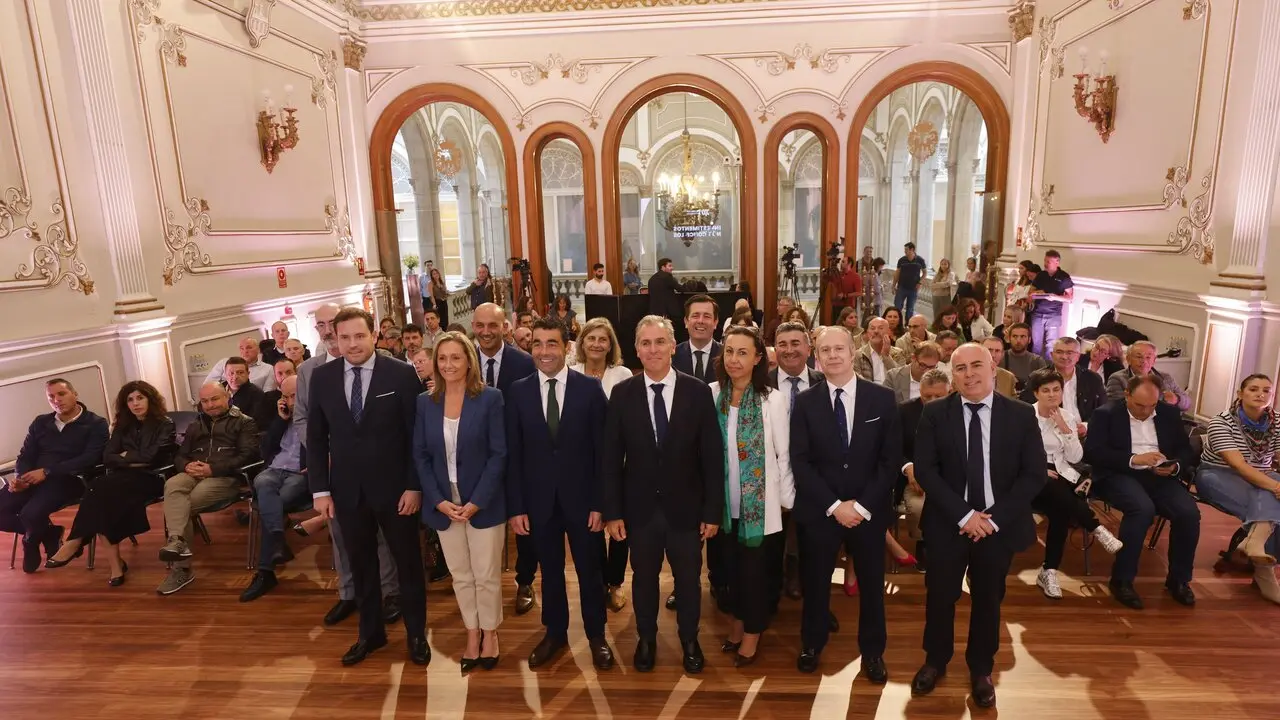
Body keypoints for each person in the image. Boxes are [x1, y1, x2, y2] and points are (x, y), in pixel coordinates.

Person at [910, 343, 1046, 709]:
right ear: (951, 375)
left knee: (988, 599)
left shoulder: (1020, 415)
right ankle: (935, 661)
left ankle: (981, 669)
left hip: (996, 527)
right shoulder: (936, 413)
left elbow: (1033, 474)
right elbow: (926, 470)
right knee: (940, 596)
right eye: (960, 368)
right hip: (947, 522)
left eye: (976, 366)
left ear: (992, 368)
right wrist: (965, 516)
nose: (969, 374)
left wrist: (993, 519)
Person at [307, 308, 429, 667]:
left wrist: (413, 486)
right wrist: (320, 491)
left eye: (359, 336)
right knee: (361, 566)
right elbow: (316, 439)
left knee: (408, 566)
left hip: (396, 493)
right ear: (335, 338)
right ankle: (371, 634)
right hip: (346, 492)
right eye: (344, 337)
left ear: (373, 335)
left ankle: (416, 634)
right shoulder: (323, 377)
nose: (352, 343)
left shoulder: (402, 375)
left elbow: (415, 438)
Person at [602, 315, 723, 674]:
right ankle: (646, 638)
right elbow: (610, 458)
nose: (652, 349)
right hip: (639, 510)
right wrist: (612, 512)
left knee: (688, 579)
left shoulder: (698, 391)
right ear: (636, 349)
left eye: (659, 342)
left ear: (674, 346)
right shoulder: (622, 394)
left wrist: (712, 511)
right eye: (645, 343)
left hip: (687, 508)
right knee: (643, 578)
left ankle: (690, 638)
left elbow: (713, 458)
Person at [791, 324, 901, 679]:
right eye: (826, 351)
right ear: (817, 358)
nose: (833, 355)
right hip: (822, 511)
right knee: (816, 582)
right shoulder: (805, 402)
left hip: (868, 512)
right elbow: (801, 461)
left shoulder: (881, 399)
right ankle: (812, 643)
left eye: (840, 349)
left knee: (871, 586)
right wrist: (835, 506)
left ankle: (873, 652)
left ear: (853, 353)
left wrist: (862, 506)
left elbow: (890, 460)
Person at [507, 318, 615, 670]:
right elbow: (514, 454)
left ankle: (597, 635)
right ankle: (555, 633)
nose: (543, 351)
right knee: (550, 572)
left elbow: (603, 453)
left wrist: (601, 503)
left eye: (551, 343)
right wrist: (517, 507)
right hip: (539, 504)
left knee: (590, 571)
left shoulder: (589, 389)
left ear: (566, 347)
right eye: (537, 344)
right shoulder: (518, 391)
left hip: (584, 503)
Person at [294, 303, 403, 628]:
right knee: (343, 537)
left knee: (381, 539)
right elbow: (305, 420)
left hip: (381, 475)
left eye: (334, 324)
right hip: (335, 472)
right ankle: (348, 594)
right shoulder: (311, 371)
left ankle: (388, 593)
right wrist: (326, 456)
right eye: (323, 326)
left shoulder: (391, 370)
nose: (329, 331)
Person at [415, 332, 506, 671]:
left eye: (456, 357)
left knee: (486, 574)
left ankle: (490, 633)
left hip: (483, 501)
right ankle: (471, 632)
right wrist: (438, 501)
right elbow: (420, 456)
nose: (449, 364)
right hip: (444, 503)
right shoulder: (425, 402)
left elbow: (499, 454)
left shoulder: (490, 398)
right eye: (442, 358)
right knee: (460, 574)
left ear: (469, 360)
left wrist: (478, 500)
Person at [706, 327, 794, 667]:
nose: (734, 359)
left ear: (758, 358)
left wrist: (787, 500)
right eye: (729, 351)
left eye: (743, 352)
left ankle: (752, 635)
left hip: (762, 508)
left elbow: (783, 454)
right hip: (722, 507)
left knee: (755, 576)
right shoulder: (711, 394)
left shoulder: (772, 399)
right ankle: (737, 625)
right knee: (727, 572)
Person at [1084, 374, 1199, 610]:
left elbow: (1185, 450)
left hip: (1159, 475)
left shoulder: (1168, 413)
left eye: (1152, 406)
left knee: (1188, 513)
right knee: (1141, 509)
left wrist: (1175, 465)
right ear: (1127, 395)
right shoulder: (1106, 414)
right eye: (1139, 405)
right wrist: (1134, 459)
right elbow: (1094, 453)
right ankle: (1122, 580)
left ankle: (1179, 580)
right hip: (1119, 473)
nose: (1146, 411)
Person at [44, 382, 175, 585]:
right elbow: (108, 456)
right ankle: (112, 564)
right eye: (130, 400)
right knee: (101, 495)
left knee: (100, 491)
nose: (135, 403)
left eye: (140, 398)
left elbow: (152, 457)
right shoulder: (123, 425)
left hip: (153, 477)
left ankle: (77, 540)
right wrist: (131, 458)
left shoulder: (164, 424)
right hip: (122, 478)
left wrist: (125, 456)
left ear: (150, 399)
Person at [1025, 369, 1123, 600]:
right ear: (1035, 393)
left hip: (1062, 476)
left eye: (1056, 390)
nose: (1052, 395)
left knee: (1061, 508)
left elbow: (1076, 457)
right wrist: (1040, 470)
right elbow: (1014, 455)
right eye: (1046, 390)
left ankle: (1049, 571)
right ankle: (1095, 527)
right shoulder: (1024, 416)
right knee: (1057, 493)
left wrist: (1066, 429)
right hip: (1032, 477)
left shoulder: (1067, 416)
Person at [157, 382, 258, 595]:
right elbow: (180, 454)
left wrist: (213, 469)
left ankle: (181, 569)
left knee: (183, 505)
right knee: (173, 484)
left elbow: (247, 456)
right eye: (204, 401)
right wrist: (185, 465)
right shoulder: (197, 424)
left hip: (224, 477)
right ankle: (177, 542)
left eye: (214, 399)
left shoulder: (244, 422)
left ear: (227, 396)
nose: (210, 405)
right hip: (193, 472)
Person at [471, 302, 539, 613]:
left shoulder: (525, 363)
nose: (486, 331)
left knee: (523, 524)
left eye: (492, 325)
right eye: (480, 325)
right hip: (474, 459)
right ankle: (482, 584)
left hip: (517, 457)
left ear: (505, 328)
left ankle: (525, 580)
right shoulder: (462, 359)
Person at [1194, 374, 1280, 603]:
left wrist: (1274, 484)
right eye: (1253, 389)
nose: (1260, 394)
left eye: (1266, 390)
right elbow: (1238, 465)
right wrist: (1276, 486)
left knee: (1269, 493)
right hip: (1217, 474)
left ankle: (1254, 545)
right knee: (1271, 501)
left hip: (1262, 476)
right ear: (1240, 394)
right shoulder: (1222, 421)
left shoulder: (1277, 421)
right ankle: (1265, 574)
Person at [568, 317, 634, 610]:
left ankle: (616, 583)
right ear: (582, 342)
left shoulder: (621, 374)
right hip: (583, 465)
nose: (596, 344)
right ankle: (596, 582)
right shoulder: (570, 373)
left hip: (619, 462)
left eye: (602, 339)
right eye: (590, 338)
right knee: (591, 528)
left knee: (620, 528)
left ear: (611, 345)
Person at [240, 375, 311, 602]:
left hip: (300, 475)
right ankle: (278, 541)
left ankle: (265, 572)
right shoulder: (281, 416)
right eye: (285, 396)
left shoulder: (317, 414)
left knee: (271, 502)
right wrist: (281, 420)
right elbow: (266, 448)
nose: (290, 401)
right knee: (261, 482)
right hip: (275, 469)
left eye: (294, 396)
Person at [770, 321, 824, 601]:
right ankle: (774, 581)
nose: (789, 350)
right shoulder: (760, 382)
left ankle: (803, 579)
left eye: (795, 343)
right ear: (774, 349)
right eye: (782, 344)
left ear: (808, 347)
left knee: (812, 536)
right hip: (770, 470)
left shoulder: (824, 382)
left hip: (815, 471)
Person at [897, 369, 953, 573]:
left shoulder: (960, 411)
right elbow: (893, 449)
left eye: (938, 396)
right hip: (915, 478)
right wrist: (909, 468)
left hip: (950, 476)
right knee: (919, 504)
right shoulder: (904, 411)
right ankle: (924, 544)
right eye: (926, 396)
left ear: (951, 391)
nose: (931, 401)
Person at [1024, 337, 1107, 424]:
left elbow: (1102, 411)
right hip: (1049, 430)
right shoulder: (1037, 378)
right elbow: (1026, 411)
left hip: (1086, 432)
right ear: (1052, 355)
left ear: (1078, 356)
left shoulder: (1092, 379)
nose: (1064, 357)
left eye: (1069, 353)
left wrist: (1087, 426)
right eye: (1059, 352)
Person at [1105, 340, 1192, 412]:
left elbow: (1187, 404)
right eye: (1139, 357)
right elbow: (1118, 409)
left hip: (1164, 424)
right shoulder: (1118, 378)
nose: (1143, 361)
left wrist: (1177, 399)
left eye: (1148, 357)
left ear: (1153, 361)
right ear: (1128, 359)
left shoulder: (1165, 377)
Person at [1027, 249, 1073, 361]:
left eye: (1049, 262)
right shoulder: (1041, 275)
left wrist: (1055, 297)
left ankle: (1049, 370)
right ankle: (1035, 370)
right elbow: (1030, 293)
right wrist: (1038, 293)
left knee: (1050, 346)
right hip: (1037, 314)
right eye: (1045, 261)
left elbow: (1070, 298)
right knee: (1036, 345)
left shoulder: (1064, 277)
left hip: (1053, 315)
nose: (1045, 264)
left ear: (1057, 262)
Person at [674, 294, 722, 385]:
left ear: (715, 322)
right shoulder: (672, 355)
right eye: (695, 316)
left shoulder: (726, 355)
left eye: (707, 316)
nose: (700, 321)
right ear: (686, 322)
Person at [204, 336, 276, 391]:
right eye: (242, 348)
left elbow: (267, 394)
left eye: (249, 348)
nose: (245, 351)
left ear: (258, 350)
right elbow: (207, 386)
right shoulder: (224, 363)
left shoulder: (268, 369)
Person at [854, 318, 905, 383]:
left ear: (889, 332)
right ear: (867, 333)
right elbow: (858, 382)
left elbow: (901, 379)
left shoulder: (898, 353)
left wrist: (886, 356)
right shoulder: (858, 355)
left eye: (881, 328)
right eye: (872, 328)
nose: (876, 331)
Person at [1002, 323, 1047, 391]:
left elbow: (1044, 388)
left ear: (1029, 340)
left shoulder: (1037, 361)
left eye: (1022, 336)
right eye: (1015, 336)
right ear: (1009, 339)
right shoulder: (1000, 358)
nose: (1018, 340)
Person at [893, 242, 928, 319]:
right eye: (904, 249)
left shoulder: (920, 260)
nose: (905, 251)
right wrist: (893, 285)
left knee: (910, 309)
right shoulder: (902, 260)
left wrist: (920, 282)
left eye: (906, 249)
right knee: (897, 307)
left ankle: (908, 325)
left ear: (912, 249)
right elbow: (897, 273)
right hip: (902, 287)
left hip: (913, 288)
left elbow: (925, 273)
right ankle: (898, 323)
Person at [647, 257, 682, 326]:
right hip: (667, 313)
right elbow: (679, 288)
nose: (672, 268)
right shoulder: (667, 276)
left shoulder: (652, 278)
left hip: (654, 312)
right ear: (663, 267)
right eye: (669, 266)